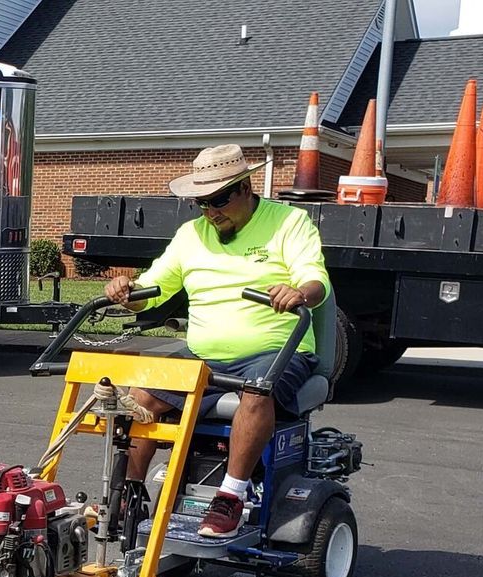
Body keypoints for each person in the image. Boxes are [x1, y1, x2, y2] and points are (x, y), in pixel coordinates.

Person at [97, 144, 330, 538]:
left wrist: (299, 293)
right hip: (205, 355)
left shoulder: (289, 223)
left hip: (275, 350)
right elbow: (157, 284)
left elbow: (315, 279)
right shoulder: (192, 235)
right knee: (138, 396)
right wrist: (127, 288)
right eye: (201, 203)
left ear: (245, 187)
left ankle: (231, 497)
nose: (210, 211)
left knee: (257, 389)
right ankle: (128, 495)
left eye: (218, 200)